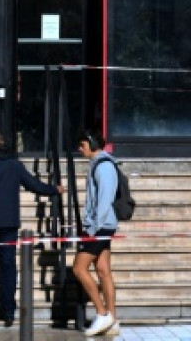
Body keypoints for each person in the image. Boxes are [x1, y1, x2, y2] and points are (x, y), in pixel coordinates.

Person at [0, 130, 62, 326]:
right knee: (8, 265)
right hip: (8, 222)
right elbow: (33, 184)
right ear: (2, 143)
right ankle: (8, 309)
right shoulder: (14, 164)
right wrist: (53, 189)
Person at [74, 128, 120, 336]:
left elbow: (104, 200)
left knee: (79, 268)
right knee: (103, 270)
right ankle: (112, 319)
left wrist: (92, 229)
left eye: (82, 145)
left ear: (92, 144)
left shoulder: (103, 166)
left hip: (99, 226)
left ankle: (102, 314)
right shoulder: (100, 164)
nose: (80, 149)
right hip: (102, 225)